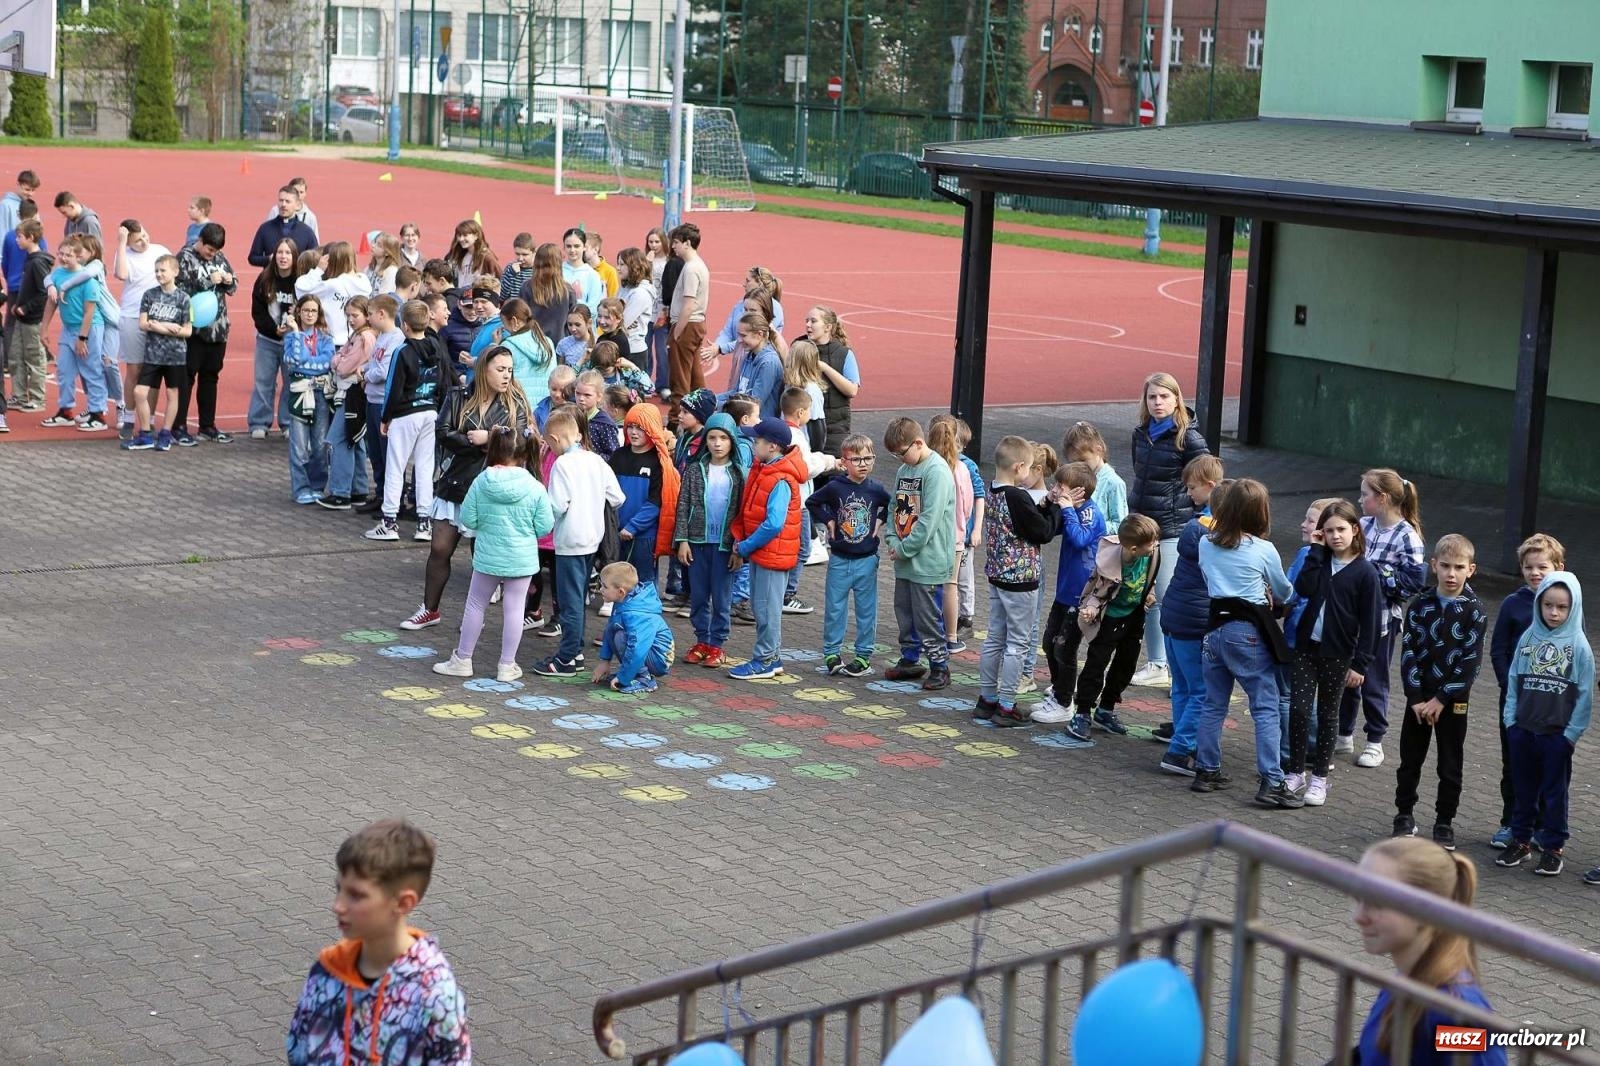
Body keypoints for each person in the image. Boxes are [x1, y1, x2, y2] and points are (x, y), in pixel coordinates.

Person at [285, 819, 470, 1066]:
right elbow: (298, 1049)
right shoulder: (327, 972)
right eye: (339, 889)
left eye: (356, 895)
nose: (338, 905)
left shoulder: (432, 991)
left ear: (403, 903)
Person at [400, 346, 533, 632]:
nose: (506, 375)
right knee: (439, 549)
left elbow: (521, 441)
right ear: (484, 369)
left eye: (510, 370)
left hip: (490, 489)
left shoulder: (515, 403)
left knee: (480, 557)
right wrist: (474, 443)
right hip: (455, 482)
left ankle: (475, 618)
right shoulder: (458, 395)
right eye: (500, 369)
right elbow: (442, 431)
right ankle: (429, 609)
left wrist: (490, 437)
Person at [1352, 838, 1505, 1066]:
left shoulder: (1457, 1014)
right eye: (1359, 897)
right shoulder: (1405, 980)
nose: (1358, 916)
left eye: (1378, 901)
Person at [1191, 479, 1296, 806]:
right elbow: (1284, 591)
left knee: (1213, 703)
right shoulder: (1263, 549)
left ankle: (1206, 769)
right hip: (1248, 630)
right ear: (1260, 512)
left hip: (1214, 629)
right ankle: (1272, 780)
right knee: (1265, 706)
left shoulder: (1206, 543)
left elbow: (1209, 578)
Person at [433, 426, 554, 682]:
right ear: (524, 453)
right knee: (514, 609)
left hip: (488, 555)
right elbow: (545, 526)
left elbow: (468, 518)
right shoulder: (535, 487)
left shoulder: (481, 481)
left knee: (476, 604)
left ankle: (463, 659)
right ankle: (507, 665)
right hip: (521, 558)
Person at [1281, 499, 1382, 807]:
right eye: (1328, 531)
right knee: (1299, 710)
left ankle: (1320, 778)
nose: (1335, 536)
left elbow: (1371, 623)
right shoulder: (1319, 560)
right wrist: (1315, 550)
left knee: (1327, 715)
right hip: (1305, 649)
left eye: (1341, 529)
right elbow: (1305, 588)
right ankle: (1295, 772)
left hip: (1338, 654)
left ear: (1355, 530)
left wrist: (1360, 664)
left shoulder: (1365, 572)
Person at [1392, 534, 1486, 847]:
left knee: (1450, 763)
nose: (1451, 573)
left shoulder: (1475, 611)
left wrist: (1442, 699)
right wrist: (1416, 698)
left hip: (1452, 702)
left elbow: (1470, 663)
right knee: (1410, 759)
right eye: (1445, 566)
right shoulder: (1419, 605)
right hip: (1419, 701)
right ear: (1434, 565)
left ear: (1471, 569)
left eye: (1459, 567)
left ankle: (1444, 821)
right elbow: (1408, 652)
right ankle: (1404, 814)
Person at [1498, 570, 1592, 877]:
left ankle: (1553, 848)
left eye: (1562, 607)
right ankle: (1520, 841)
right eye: (1548, 604)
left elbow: (1585, 696)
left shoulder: (1579, 647)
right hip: (1523, 731)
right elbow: (1513, 680)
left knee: (1554, 794)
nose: (1554, 612)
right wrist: (1511, 722)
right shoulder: (1528, 637)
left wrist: (1570, 736)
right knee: (1523, 790)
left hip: (1556, 737)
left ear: (1573, 608)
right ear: (1539, 603)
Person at [971, 435, 1062, 727]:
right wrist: (1057, 509)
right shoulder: (1017, 496)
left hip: (997, 574)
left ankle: (987, 698)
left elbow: (1026, 520)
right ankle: (1007, 704)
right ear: (1019, 466)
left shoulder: (993, 489)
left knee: (995, 638)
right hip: (1021, 579)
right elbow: (1042, 532)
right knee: (1018, 643)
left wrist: (1045, 503)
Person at [1129, 372, 1211, 690]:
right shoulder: (1141, 434)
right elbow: (1141, 475)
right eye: (1152, 397)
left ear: (1177, 399)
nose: (1158, 402)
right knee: (1147, 597)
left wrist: (1199, 521)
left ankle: (1174, 666)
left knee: (1166, 597)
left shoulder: (1189, 438)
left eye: (1164, 396)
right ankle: (1157, 663)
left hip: (1173, 528)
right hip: (1143, 528)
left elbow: (1207, 482)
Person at [1341, 467, 1427, 769]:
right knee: (1346, 676)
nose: (1360, 500)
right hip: (1349, 618)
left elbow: (1412, 583)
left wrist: (1374, 574)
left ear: (1383, 498)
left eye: (1365, 494)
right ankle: (1343, 734)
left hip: (1381, 623)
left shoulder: (1407, 536)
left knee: (1373, 680)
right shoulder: (1362, 525)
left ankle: (1375, 741)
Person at [1488, 534, 1564, 850]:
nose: (1535, 573)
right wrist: (1510, 686)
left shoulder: (1566, 606)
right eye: (1529, 567)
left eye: (1542, 567)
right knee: (1514, 765)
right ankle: (1511, 823)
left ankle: (1542, 827)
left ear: (1558, 567)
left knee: (1548, 765)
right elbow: (1498, 650)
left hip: (1550, 704)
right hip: (1515, 701)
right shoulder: (1512, 604)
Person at [536, 406, 624, 676]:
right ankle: (574, 652)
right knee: (579, 597)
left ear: (555, 439)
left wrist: (539, 521)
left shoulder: (562, 464)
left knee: (570, 602)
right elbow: (617, 497)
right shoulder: (596, 460)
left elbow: (557, 505)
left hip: (570, 540)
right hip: (593, 539)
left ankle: (566, 657)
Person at [1153, 458, 1226, 774]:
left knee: (1183, 686)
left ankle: (1185, 742)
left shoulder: (1196, 526)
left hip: (1174, 614)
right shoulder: (1213, 531)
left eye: (1192, 487)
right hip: (1194, 620)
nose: (1188, 493)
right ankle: (1181, 749)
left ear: (1210, 487)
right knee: (1201, 690)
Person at [1065, 514, 1161, 743]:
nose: (1156, 545)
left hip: (1134, 615)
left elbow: (1149, 577)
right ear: (1134, 549)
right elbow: (1097, 591)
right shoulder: (1110, 562)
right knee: (1096, 664)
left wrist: (1149, 593)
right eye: (1151, 543)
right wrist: (1091, 609)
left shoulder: (1153, 553)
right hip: (1110, 618)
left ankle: (1106, 708)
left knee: (1126, 664)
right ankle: (1082, 712)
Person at [727, 415, 809, 681]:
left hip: (771, 555)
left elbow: (774, 523)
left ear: (772, 446)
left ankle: (764, 660)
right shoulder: (768, 470)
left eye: (757, 440)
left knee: (766, 610)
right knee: (764, 607)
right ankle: (771, 657)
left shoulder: (779, 478)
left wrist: (746, 546)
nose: (753, 445)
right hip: (765, 553)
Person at [804, 433, 890, 677]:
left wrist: (880, 521)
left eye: (868, 458)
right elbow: (812, 502)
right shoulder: (835, 487)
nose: (863, 464)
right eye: (856, 459)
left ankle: (863, 656)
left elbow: (892, 504)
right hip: (840, 560)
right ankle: (832, 653)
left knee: (866, 611)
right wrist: (829, 520)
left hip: (867, 560)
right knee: (835, 609)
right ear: (844, 462)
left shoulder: (875, 489)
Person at [882, 417, 956, 691]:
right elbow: (894, 506)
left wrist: (904, 548)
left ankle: (939, 665)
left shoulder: (936, 471)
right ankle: (910, 658)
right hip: (905, 559)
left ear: (918, 443)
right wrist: (892, 537)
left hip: (928, 561)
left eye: (901, 453)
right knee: (905, 612)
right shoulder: (905, 469)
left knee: (927, 616)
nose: (899, 459)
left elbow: (929, 521)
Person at [1030, 462, 1105, 728]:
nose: (1056, 488)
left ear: (1078, 492)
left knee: (1065, 647)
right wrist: (1047, 503)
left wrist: (1067, 509)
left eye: (1061, 486)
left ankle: (1063, 702)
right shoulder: (1069, 509)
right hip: (1065, 591)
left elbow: (1079, 539)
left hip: (1081, 594)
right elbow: (1048, 528)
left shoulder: (1090, 513)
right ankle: (1058, 690)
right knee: (1049, 643)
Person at [365, 300, 444, 543]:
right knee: (425, 468)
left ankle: (389, 522)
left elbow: (393, 387)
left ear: (405, 325)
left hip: (405, 413)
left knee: (395, 467)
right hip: (430, 411)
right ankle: (424, 523)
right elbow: (442, 381)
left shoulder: (402, 351)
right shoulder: (436, 346)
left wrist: (385, 416)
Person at [677, 411, 747, 668]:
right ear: (705, 440)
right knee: (698, 596)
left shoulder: (739, 474)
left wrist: (738, 549)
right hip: (697, 543)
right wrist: (682, 540)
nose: (717, 444)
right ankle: (702, 641)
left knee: (721, 597)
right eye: (712, 438)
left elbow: (743, 514)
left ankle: (717, 643)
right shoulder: (694, 470)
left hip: (725, 546)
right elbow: (682, 505)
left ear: (732, 441)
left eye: (723, 438)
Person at [173, 222, 238, 445]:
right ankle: (178, 426)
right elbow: (177, 290)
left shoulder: (220, 258)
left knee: (211, 377)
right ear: (200, 241)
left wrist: (229, 281)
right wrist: (207, 281)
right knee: (186, 378)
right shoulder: (184, 257)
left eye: (216, 251)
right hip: (193, 330)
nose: (212, 254)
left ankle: (207, 425)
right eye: (209, 249)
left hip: (218, 329)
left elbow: (234, 286)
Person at [611, 402, 680, 594]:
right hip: (617, 530)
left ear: (652, 429)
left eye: (640, 428)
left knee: (644, 583)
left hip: (644, 535)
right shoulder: (618, 456)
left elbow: (656, 501)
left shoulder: (659, 463)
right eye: (630, 426)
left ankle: (647, 612)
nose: (633, 432)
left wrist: (633, 526)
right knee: (618, 583)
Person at [112, 220, 171, 436]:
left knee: (153, 372)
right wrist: (121, 243)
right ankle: (129, 418)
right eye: (137, 240)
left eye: (145, 235)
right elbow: (121, 274)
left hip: (158, 318)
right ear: (128, 242)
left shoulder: (160, 250)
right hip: (132, 317)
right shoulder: (123, 254)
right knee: (134, 371)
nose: (144, 241)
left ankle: (150, 420)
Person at [128, 254, 191, 452]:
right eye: (156, 271)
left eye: (163, 270)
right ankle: (145, 434)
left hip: (175, 356)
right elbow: (143, 323)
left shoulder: (184, 298)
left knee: (172, 393)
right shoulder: (149, 295)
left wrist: (159, 326)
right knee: (139, 392)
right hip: (153, 355)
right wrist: (166, 326)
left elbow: (187, 331)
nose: (159, 274)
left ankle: (165, 433)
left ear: (175, 272)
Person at [319, 296, 375, 510]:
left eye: (355, 315)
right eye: (348, 315)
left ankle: (340, 492)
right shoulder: (357, 335)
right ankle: (358, 489)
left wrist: (338, 361)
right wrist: (340, 360)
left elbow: (343, 366)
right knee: (355, 439)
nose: (350, 319)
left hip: (353, 393)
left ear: (367, 315)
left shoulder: (364, 337)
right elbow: (340, 358)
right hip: (354, 393)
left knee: (339, 439)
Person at [281, 295, 336, 504]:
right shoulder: (291, 337)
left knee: (320, 444)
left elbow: (326, 363)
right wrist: (296, 332)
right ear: (299, 312)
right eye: (306, 310)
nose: (310, 314)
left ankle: (317, 486)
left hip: (321, 394)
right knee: (299, 445)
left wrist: (306, 365)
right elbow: (294, 360)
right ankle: (301, 488)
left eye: (314, 311)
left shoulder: (325, 338)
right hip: (299, 394)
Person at [592, 561, 676, 694]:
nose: (600, 589)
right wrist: (605, 661)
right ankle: (635, 673)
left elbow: (637, 648)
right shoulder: (623, 601)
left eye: (604, 586)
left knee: (621, 637)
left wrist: (623, 678)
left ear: (620, 591)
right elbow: (609, 630)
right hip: (648, 652)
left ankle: (644, 679)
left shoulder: (636, 613)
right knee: (614, 630)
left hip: (660, 659)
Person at [928, 417, 973, 656]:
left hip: (930, 535)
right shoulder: (961, 468)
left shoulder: (927, 465)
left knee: (927, 584)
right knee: (950, 586)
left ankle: (926, 632)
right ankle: (951, 637)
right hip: (954, 535)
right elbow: (966, 507)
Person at [249, 238, 301, 438]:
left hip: (292, 341)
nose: (283, 257)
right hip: (267, 340)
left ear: (294, 256)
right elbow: (258, 312)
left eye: (287, 253)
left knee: (291, 382)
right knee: (263, 382)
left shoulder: (300, 282)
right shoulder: (264, 279)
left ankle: (287, 422)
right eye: (280, 252)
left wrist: (293, 325)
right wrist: (273, 329)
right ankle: (259, 422)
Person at [358, 295, 405, 514]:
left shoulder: (396, 338)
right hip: (372, 400)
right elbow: (374, 363)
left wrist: (365, 376)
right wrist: (365, 369)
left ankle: (393, 499)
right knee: (375, 453)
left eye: (369, 314)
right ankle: (380, 493)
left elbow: (384, 371)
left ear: (382, 314)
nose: (367, 318)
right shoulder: (382, 337)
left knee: (388, 454)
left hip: (383, 403)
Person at [666, 223, 709, 424]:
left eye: (676, 242)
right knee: (694, 376)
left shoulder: (691, 268)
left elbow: (689, 304)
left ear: (687, 243)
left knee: (680, 377)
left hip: (686, 325)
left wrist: (677, 332)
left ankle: (676, 421)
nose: (673, 246)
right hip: (696, 324)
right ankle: (703, 413)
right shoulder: (699, 265)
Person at [7, 219, 51, 413]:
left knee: (34, 358)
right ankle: (18, 395)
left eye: (20, 237)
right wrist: (17, 305)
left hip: (32, 320)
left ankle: (37, 398)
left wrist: (26, 308)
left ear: (31, 237)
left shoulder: (38, 263)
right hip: (21, 317)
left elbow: (43, 292)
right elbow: (27, 288)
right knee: (16, 356)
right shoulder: (29, 259)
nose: (17, 240)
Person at [296, 241, 373, 349]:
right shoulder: (364, 282)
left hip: (333, 342)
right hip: (356, 342)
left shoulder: (332, 285)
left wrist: (318, 270)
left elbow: (301, 288)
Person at [1063, 420, 1129, 526]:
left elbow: (1121, 525)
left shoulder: (1114, 483)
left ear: (1099, 450)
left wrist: (1092, 525)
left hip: (1100, 537)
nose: (1078, 466)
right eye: (1073, 462)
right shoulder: (1075, 479)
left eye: (1083, 460)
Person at [720, 312, 784, 419]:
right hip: (744, 418)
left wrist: (719, 406)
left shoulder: (769, 363)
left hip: (759, 423)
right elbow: (737, 391)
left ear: (759, 334)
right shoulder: (749, 355)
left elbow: (754, 404)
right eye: (738, 335)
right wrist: (712, 399)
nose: (739, 340)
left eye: (743, 335)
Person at [520, 242, 575, 346]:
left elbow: (521, 319)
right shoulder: (568, 291)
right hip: (559, 345)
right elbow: (573, 321)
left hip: (532, 344)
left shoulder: (526, 288)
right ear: (558, 263)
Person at [247, 185, 317, 267]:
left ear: (297, 205)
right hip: (271, 275)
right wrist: (268, 259)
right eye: (281, 200)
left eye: (287, 201)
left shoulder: (307, 232)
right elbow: (252, 258)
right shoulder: (265, 228)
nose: (283, 204)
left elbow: (315, 259)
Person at [615, 246, 656, 379]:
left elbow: (621, 322)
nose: (618, 268)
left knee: (632, 390)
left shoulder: (640, 293)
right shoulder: (625, 287)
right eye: (618, 264)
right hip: (620, 346)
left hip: (633, 350)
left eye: (622, 264)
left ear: (633, 266)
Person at [644, 226, 672, 397]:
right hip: (647, 311)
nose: (653, 245)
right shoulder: (646, 260)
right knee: (645, 349)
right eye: (650, 242)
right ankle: (645, 381)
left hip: (662, 310)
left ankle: (663, 384)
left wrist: (665, 311)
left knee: (662, 351)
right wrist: (647, 263)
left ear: (663, 243)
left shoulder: (669, 261)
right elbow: (641, 278)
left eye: (656, 242)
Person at [574, 369, 619, 459]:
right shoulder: (570, 417)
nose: (581, 398)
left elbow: (613, 455)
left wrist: (592, 458)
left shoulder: (605, 424)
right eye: (578, 393)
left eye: (587, 395)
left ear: (599, 397)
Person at [443, 218, 499, 290]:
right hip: (458, 294)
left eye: (465, 235)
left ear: (476, 236)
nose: (461, 239)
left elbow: (498, 279)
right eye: (459, 235)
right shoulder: (456, 254)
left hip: (476, 296)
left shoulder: (487, 257)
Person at [561, 227, 605, 314]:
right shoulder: (557, 271)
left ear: (584, 247)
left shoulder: (592, 274)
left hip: (582, 320)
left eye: (576, 246)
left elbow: (594, 307)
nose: (572, 250)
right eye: (568, 246)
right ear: (564, 247)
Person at [0, 169, 40, 237]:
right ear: (18, 184)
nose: (30, 194)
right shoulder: (5, 205)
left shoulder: (31, 204)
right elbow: (2, 231)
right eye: (27, 189)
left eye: (33, 190)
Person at [500, 232, 535, 298]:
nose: (520, 259)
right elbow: (501, 296)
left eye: (525, 255)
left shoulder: (539, 270)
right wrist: (511, 275)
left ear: (534, 253)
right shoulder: (510, 269)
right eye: (517, 254)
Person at [585, 232, 620, 298]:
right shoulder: (580, 268)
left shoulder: (610, 271)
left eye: (585, 247)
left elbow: (612, 298)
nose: (582, 250)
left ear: (596, 249)